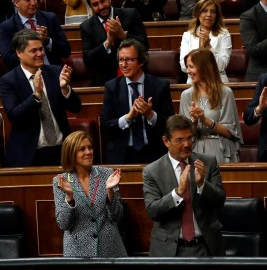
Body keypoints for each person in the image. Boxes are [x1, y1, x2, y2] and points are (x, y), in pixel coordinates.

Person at [143, 114, 226, 256]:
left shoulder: (208, 162)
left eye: (189, 138)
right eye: (180, 140)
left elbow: (220, 201)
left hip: (206, 247)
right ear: (166, 141)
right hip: (169, 251)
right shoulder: (152, 171)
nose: (187, 144)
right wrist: (177, 193)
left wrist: (202, 184)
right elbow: (153, 211)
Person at [0, 29, 81, 167]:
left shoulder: (55, 72)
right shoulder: (9, 80)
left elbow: (76, 108)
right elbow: (15, 116)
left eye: (41, 49)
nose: (40, 54)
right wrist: (36, 95)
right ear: (19, 53)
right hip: (29, 154)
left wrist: (65, 89)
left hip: (60, 150)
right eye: (33, 51)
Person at [53, 131, 127, 257]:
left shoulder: (107, 174)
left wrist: (110, 192)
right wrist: (70, 197)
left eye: (90, 148)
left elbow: (118, 217)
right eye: (82, 149)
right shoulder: (60, 181)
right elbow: (64, 224)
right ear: (71, 153)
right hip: (78, 252)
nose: (88, 152)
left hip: (109, 250)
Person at [100, 39, 174, 164]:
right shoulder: (112, 87)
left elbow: (171, 124)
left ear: (141, 61)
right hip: (121, 155)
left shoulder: (160, 86)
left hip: (154, 154)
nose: (123, 65)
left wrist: (151, 115)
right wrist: (128, 117)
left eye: (129, 59)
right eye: (121, 60)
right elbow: (105, 126)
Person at [180, 49, 242, 163]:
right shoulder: (186, 96)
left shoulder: (225, 93)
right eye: (187, 67)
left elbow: (230, 132)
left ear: (204, 67)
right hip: (195, 151)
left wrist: (205, 120)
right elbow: (184, 133)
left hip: (220, 150)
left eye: (191, 66)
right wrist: (194, 122)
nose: (188, 71)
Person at [81, 0, 148, 86]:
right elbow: (88, 59)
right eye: (95, 4)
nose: (101, 7)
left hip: (136, 76)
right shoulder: (86, 27)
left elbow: (144, 45)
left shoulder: (130, 14)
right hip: (105, 82)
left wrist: (123, 35)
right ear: (90, 7)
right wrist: (107, 43)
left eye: (103, 1)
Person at [0, 0, 71, 70]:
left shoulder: (50, 18)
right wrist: (29, 49)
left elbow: (66, 51)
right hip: (26, 76)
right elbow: (8, 60)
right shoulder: (7, 26)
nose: (33, 3)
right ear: (16, 3)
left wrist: (47, 41)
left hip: (52, 72)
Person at [179, 0, 232, 83]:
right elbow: (184, 66)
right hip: (193, 83)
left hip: (217, 82)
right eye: (204, 11)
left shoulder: (224, 34)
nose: (209, 15)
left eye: (213, 11)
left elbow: (221, 66)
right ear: (198, 13)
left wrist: (209, 47)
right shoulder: (187, 35)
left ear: (217, 15)